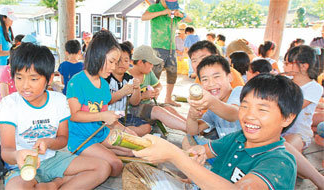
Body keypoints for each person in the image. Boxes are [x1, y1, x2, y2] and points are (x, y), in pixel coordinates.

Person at [134, 73, 303, 189]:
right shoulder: (238, 137)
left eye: (262, 110)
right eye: (245, 106)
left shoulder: (280, 162)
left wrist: (175, 156)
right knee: (136, 171)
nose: (249, 115)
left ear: (287, 118)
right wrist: (196, 154)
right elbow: (204, 150)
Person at [0, 42, 110, 189]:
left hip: (53, 159)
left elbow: (63, 140)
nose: (25, 86)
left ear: (49, 79)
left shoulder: (59, 100)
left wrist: (48, 143)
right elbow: (6, 151)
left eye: (33, 79)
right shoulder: (9, 104)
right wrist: (17, 155)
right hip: (20, 167)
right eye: (19, 78)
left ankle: (53, 185)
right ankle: (57, 183)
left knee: (102, 167)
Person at [66, 30, 133, 177]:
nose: (113, 67)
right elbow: (74, 116)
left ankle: (101, 152)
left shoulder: (103, 85)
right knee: (116, 165)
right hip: (81, 139)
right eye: (111, 62)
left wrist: (127, 132)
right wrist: (103, 115)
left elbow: (106, 119)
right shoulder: (77, 82)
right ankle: (91, 156)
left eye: (115, 63)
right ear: (97, 55)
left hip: (99, 133)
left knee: (132, 150)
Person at [183, 55, 242, 150]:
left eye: (216, 77)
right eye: (205, 79)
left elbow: (233, 114)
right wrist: (192, 116)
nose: (211, 83)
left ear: (230, 77)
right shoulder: (213, 107)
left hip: (244, 153)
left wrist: (210, 102)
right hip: (227, 151)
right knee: (188, 140)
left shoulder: (239, 92)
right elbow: (194, 131)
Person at [142, 0, 192, 107]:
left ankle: (168, 98)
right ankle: (151, 99)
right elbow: (144, 17)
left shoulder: (176, 10)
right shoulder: (154, 8)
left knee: (172, 73)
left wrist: (181, 15)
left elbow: (190, 20)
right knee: (155, 74)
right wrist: (163, 12)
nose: (172, 8)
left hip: (172, 48)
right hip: (158, 47)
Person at [128, 45, 187, 132]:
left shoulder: (148, 72)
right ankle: (191, 129)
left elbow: (158, 85)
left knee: (169, 109)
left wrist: (157, 91)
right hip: (132, 110)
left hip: (149, 105)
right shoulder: (127, 76)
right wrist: (143, 96)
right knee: (158, 110)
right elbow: (126, 101)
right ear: (140, 62)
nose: (152, 66)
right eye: (150, 63)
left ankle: (191, 127)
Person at [282, 45, 323, 150]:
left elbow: (293, 107)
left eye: (288, 63)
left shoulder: (314, 87)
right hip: (279, 129)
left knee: (286, 148)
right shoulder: (285, 81)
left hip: (299, 133)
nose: (284, 66)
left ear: (304, 66)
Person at [106, 43, 151, 137]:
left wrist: (137, 89)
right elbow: (106, 101)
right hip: (107, 117)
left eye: (126, 60)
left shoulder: (129, 78)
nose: (122, 63)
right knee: (107, 126)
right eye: (118, 60)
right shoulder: (106, 78)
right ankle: (120, 133)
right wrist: (122, 92)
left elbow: (134, 102)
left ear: (129, 62)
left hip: (123, 116)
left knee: (147, 127)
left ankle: (120, 133)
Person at [0, 6, 16, 75]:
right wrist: (14, 52)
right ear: (3, 18)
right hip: (2, 65)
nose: (12, 20)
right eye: (10, 18)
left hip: (9, 63)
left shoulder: (9, 30)